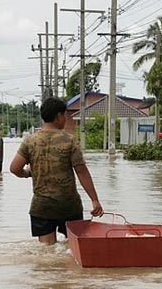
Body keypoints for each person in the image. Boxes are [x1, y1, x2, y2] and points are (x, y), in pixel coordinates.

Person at [10, 96, 104, 246]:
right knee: (72, 249)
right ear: (58, 116)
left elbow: (14, 168)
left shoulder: (30, 141)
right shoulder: (70, 140)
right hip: (69, 205)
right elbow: (81, 171)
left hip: (42, 206)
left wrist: (28, 173)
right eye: (65, 115)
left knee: (47, 251)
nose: (66, 119)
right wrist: (94, 200)